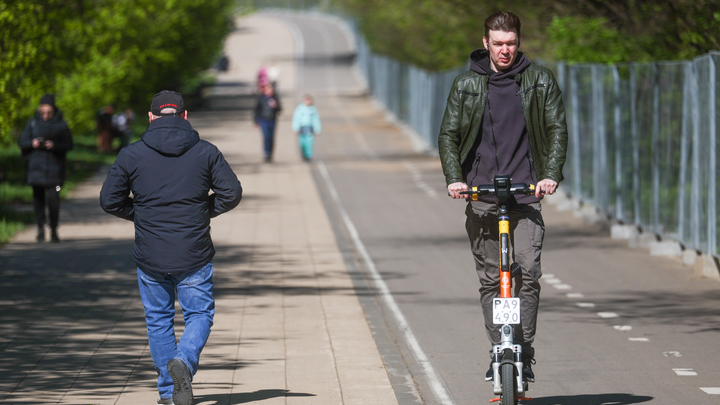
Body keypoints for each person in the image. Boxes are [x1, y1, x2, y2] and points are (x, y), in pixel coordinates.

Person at [438, 11, 568, 383]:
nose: (505, 50)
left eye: (510, 43)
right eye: (498, 44)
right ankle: (499, 349)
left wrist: (550, 175)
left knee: (527, 272)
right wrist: (454, 179)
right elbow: (448, 134)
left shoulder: (540, 81)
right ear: (486, 44)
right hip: (481, 195)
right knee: (492, 280)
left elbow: (556, 127)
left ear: (518, 42)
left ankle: (522, 353)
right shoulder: (466, 85)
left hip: (525, 196)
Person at [100, 90, 242, 405]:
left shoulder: (131, 154)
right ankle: (185, 362)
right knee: (199, 313)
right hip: (193, 251)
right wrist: (204, 210)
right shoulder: (205, 152)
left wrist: (139, 214)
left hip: (150, 254)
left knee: (159, 319)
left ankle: (168, 392)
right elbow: (231, 193)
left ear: (150, 117)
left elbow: (109, 200)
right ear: (185, 116)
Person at [18, 94, 74, 243]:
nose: (46, 115)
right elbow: (22, 142)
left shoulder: (62, 125)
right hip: (36, 169)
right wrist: (33, 143)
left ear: (54, 110)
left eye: (49, 112)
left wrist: (54, 146)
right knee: (38, 200)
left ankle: (54, 229)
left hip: (55, 171)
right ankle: (40, 229)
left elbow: (69, 145)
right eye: (43, 112)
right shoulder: (32, 123)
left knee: (54, 200)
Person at [253, 84, 282, 162]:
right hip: (264, 120)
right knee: (266, 137)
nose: (270, 91)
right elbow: (256, 110)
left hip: (272, 121)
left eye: (271, 89)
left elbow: (280, 109)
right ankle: (266, 153)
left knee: (271, 138)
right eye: (268, 89)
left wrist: (275, 106)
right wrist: (256, 121)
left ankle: (270, 154)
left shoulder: (275, 98)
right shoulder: (261, 98)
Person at [291, 94, 322, 161]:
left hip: (309, 128)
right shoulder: (299, 108)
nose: (307, 102)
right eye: (306, 100)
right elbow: (296, 119)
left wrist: (317, 130)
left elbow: (316, 120)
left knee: (309, 143)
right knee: (302, 143)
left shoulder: (313, 109)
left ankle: (308, 156)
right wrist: (296, 128)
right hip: (302, 128)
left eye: (309, 100)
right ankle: (303, 154)